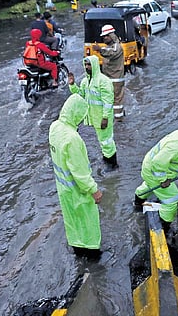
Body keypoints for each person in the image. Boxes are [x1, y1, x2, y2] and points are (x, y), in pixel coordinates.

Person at [49, 93, 103, 256]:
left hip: (63, 189)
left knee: (72, 222)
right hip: (78, 191)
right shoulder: (73, 138)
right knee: (88, 223)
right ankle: (93, 254)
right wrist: (94, 190)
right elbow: (80, 173)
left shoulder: (55, 127)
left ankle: (77, 249)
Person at [68, 56, 119, 170]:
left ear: (95, 65)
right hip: (94, 118)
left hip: (102, 118)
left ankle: (112, 165)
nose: (87, 67)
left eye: (89, 64)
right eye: (85, 64)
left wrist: (105, 117)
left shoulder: (103, 81)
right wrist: (72, 85)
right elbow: (81, 95)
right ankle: (107, 160)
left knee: (107, 141)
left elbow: (108, 101)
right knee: (103, 141)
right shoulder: (85, 81)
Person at [92, 25, 126, 121]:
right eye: (103, 36)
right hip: (108, 79)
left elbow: (112, 53)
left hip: (116, 79)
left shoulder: (116, 46)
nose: (104, 38)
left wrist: (99, 50)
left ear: (111, 35)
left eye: (106, 36)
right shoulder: (108, 47)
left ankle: (119, 120)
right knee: (108, 99)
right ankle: (112, 118)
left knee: (116, 100)